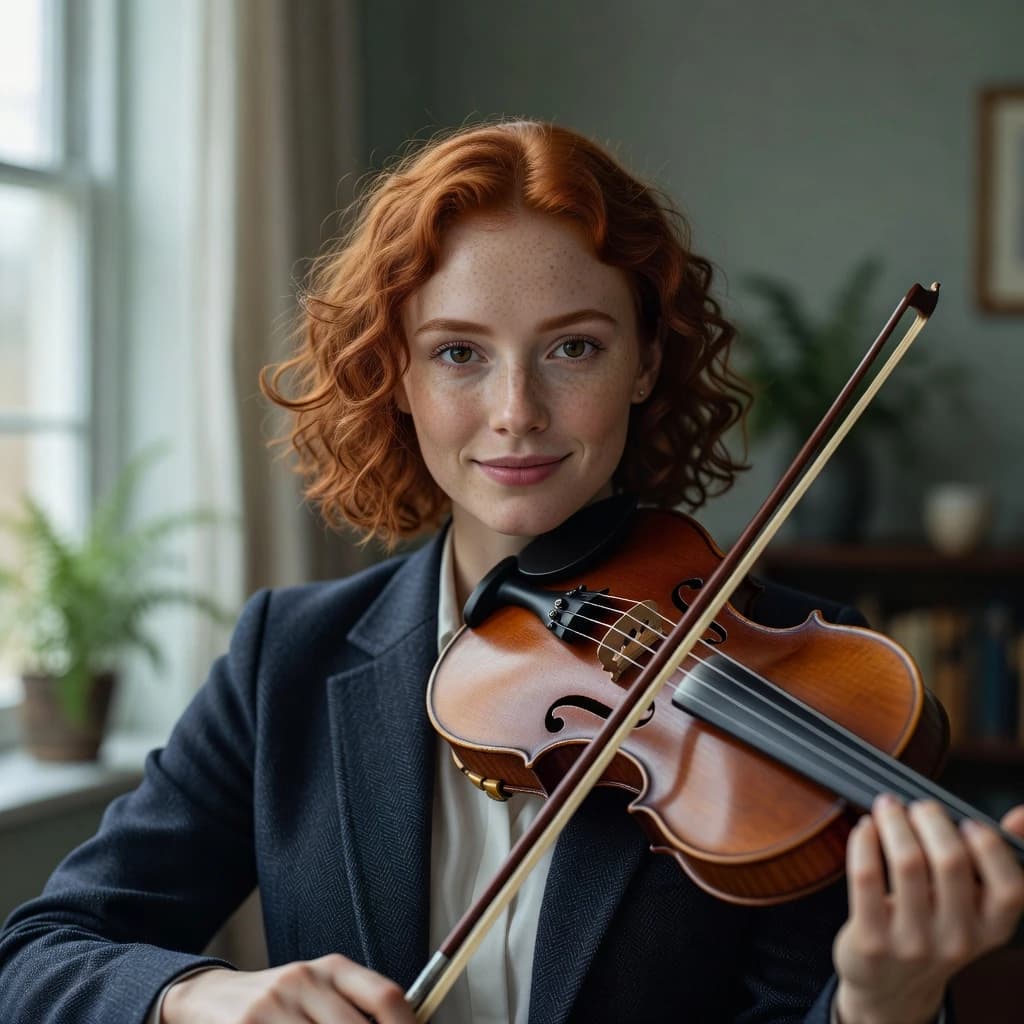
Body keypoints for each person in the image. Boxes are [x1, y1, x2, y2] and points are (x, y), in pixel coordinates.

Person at [1, 119, 1023, 1024]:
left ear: (645, 362)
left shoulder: (813, 680)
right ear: (396, 373)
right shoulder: (290, 660)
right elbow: (38, 955)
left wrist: (879, 1005)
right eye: (459, 353)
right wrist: (196, 995)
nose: (516, 412)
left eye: (573, 348)